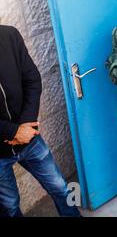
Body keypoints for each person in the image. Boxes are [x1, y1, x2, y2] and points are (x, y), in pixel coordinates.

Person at [0, 25, 81, 217]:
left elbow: (32, 80)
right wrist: (12, 131)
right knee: (9, 207)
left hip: (30, 138)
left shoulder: (9, 34)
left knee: (62, 188)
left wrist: (26, 124)